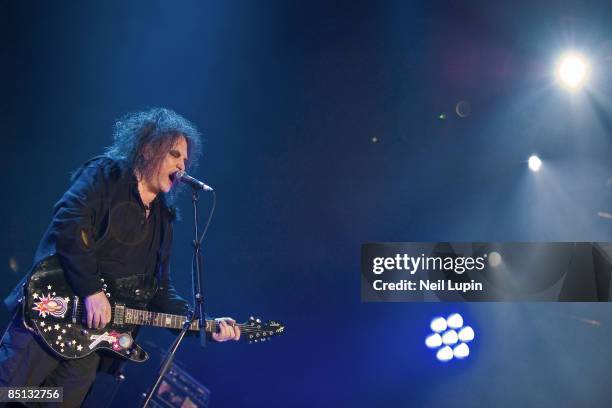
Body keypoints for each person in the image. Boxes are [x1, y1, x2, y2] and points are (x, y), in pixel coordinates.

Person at [0, 108, 240, 407]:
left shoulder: (163, 219)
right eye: (175, 154)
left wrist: (205, 324)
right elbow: (69, 222)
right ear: (148, 148)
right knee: (10, 393)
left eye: (186, 159)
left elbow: (159, 291)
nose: (183, 165)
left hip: (91, 344)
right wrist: (90, 290)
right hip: (53, 314)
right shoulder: (106, 175)